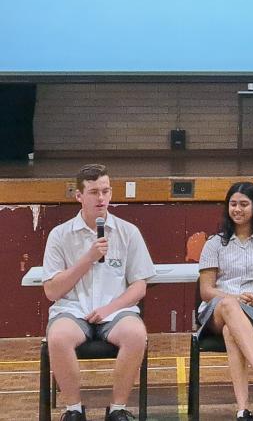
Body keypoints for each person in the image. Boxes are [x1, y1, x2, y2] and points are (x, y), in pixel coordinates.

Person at [43, 164, 155, 421]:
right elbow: (51, 291)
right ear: (79, 196)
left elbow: (139, 286)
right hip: (72, 310)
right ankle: (74, 409)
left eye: (105, 191)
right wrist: (88, 258)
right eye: (94, 192)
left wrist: (109, 308)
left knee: (136, 334)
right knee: (58, 337)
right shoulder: (59, 235)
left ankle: (117, 409)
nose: (101, 198)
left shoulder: (128, 232)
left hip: (115, 311)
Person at [197, 182, 253, 421]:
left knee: (231, 332)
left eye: (244, 204)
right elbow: (206, 291)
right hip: (217, 309)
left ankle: (242, 411)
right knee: (228, 306)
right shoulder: (214, 244)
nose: (237, 209)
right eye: (233, 204)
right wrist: (235, 298)